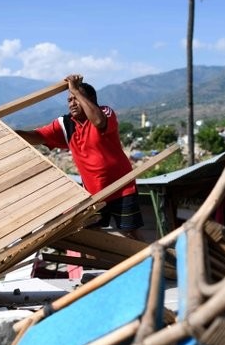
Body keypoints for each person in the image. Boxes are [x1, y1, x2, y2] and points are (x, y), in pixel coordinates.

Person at [16, 74, 143, 240]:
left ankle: (154, 263)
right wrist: (0, 126)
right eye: (69, 100)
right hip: (93, 193)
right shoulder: (65, 124)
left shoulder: (104, 112)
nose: (72, 103)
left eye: (75, 98)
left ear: (89, 99)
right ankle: (96, 266)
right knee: (90, 236)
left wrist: (75, 89)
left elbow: (98, 121)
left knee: (131, 233)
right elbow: (35, 136)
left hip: (121, 187)